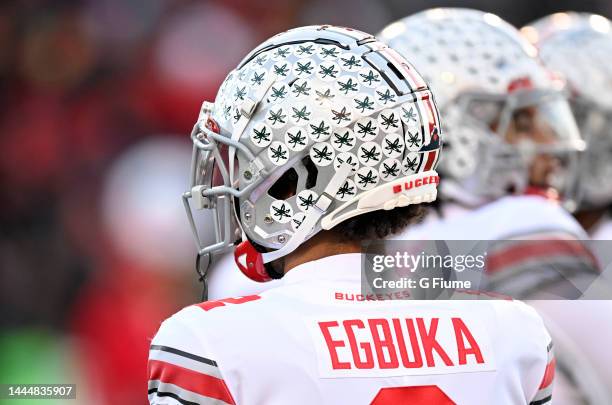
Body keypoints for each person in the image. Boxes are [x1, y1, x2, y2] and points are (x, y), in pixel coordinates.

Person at [148, 25, 553, 404]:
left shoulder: (207, 344)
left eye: (245, 164)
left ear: (296, 178)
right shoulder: (517, 332)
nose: (232, 183)